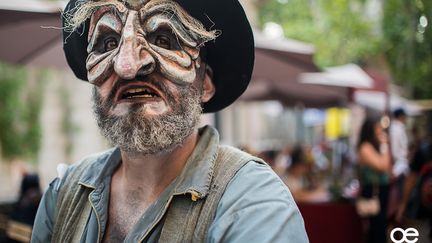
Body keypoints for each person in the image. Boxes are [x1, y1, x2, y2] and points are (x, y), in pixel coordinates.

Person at [31, 0, 308, 242]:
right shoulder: (63, 195)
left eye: (163, 39)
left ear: (206, 84)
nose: (127, 66)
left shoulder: (253, 204)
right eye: (109, 43)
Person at [357, 116, 392, 243]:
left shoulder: (372, 146)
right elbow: (383, 166)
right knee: (377, 227)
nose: (380, 130)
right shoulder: (365, 147)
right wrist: (384, 145)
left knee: (380, 225)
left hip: (380, 190)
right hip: (373, 190)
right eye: (377, 127)